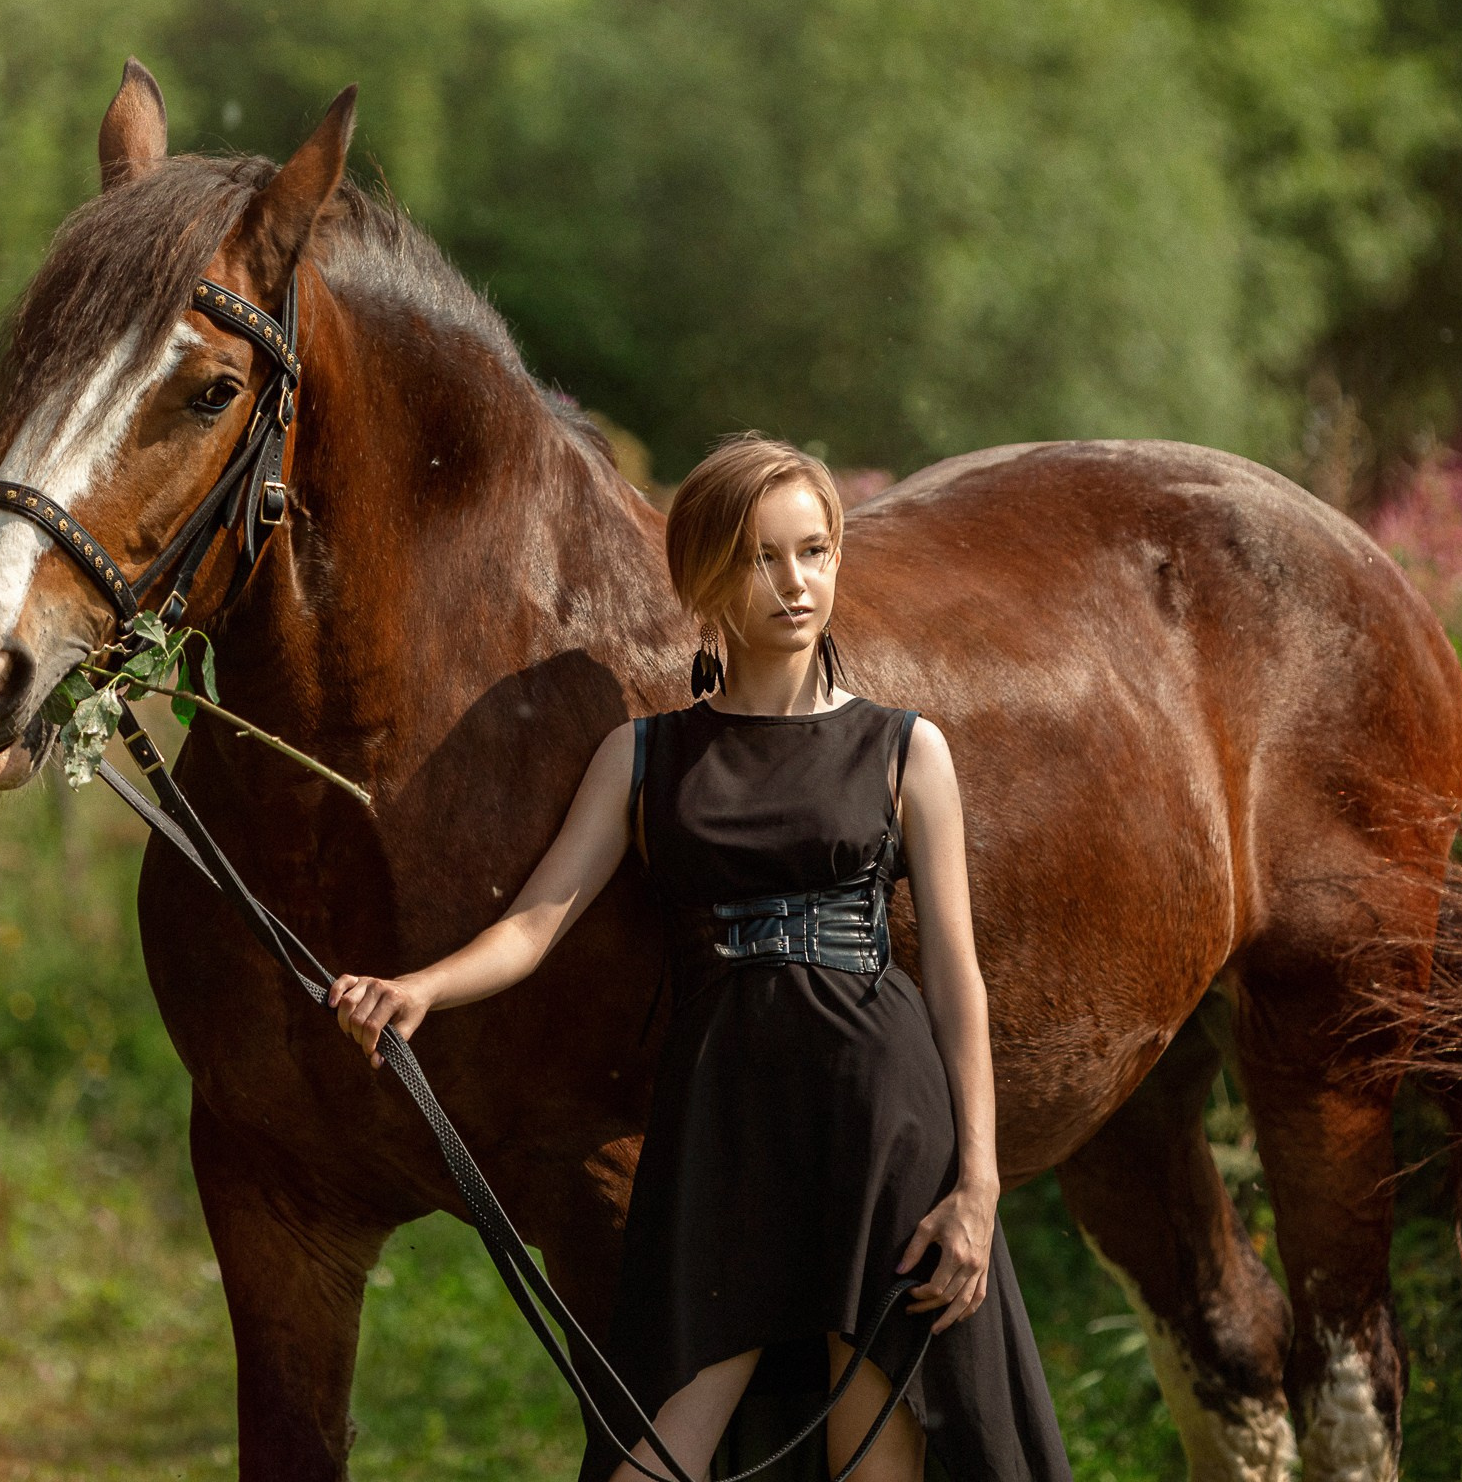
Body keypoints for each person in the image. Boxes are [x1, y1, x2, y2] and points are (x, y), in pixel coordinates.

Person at [326, 435, 1071, 1481]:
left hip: (879, 1113)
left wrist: (979, 1186)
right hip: (721, 1119)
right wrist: (418, 989)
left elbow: (956, 975)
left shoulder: (908, 749)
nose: (795, 582)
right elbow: (538, 922)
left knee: (874, 1460)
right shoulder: (644, 755)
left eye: (814, 550)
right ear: (705, 576)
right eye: (763, 557)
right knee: (654, 1453)